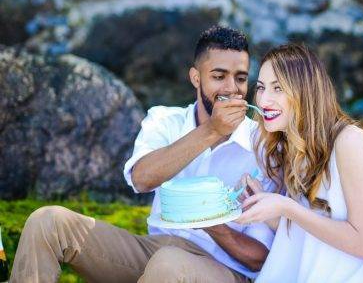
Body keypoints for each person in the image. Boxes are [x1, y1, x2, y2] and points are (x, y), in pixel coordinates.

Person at [10, 26, 275, 283]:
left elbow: (259, 259)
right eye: (219, 76)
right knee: (47, 222)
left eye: (240, 78)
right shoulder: (164, 120)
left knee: (168, 264)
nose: (232, 88)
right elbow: (141, 179)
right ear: (196, 77)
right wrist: (211, 131)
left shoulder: (264, 147)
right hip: (154, 250)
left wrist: (212, 224)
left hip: (223, 269)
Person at [236, 44, 363, 282]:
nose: (264, 99)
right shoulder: (296, 147)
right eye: (261, 88)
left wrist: (287, 207)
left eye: (278, 88)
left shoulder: (351, 141)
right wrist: (265, 207)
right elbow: (306, 234)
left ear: (305, 92)